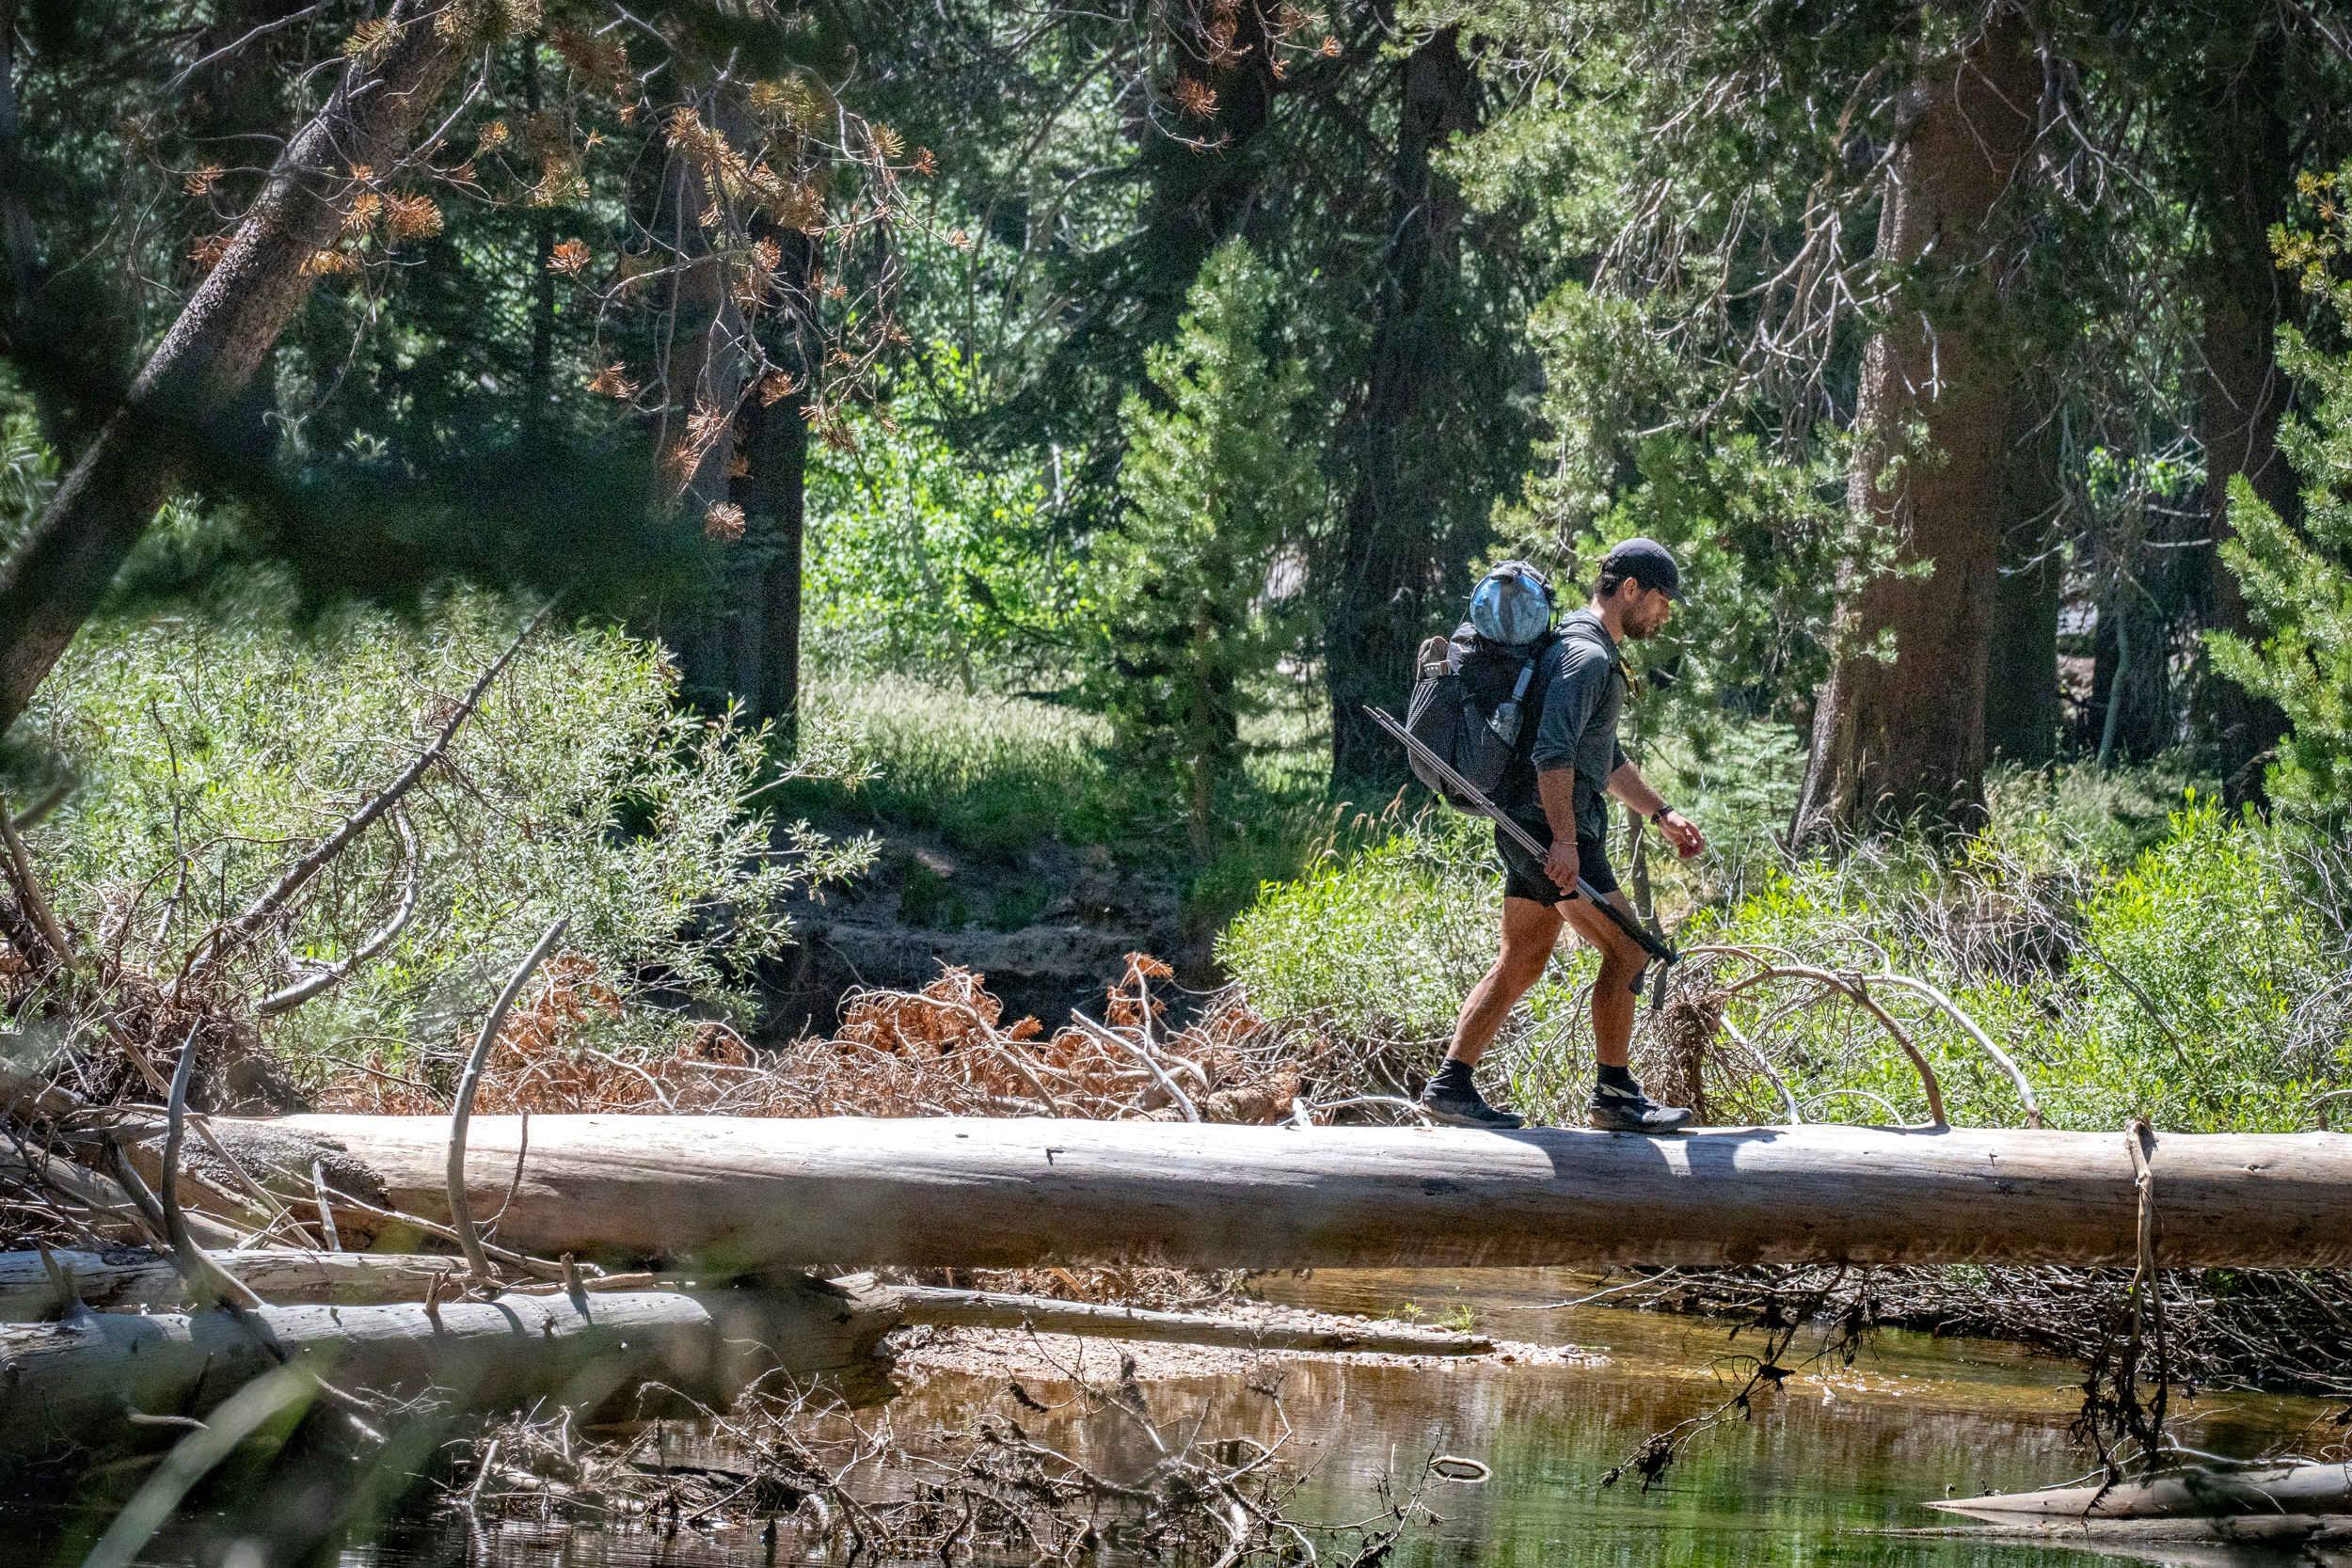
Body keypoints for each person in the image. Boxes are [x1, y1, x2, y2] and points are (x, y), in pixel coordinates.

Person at [1418, 538, 1708, 1132]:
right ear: (1630, 589)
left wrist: (1660, 813)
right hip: (1553, 831)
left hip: (1527, 827)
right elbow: (1553, 754)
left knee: (1523, 956)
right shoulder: (1589, 659)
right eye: (1661, 599)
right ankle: (1616, 1096)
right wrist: (1567, 843)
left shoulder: (1571, 643)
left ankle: (1450, 1085)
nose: (1665, 613)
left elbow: (1600, 757)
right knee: (1628, 950)